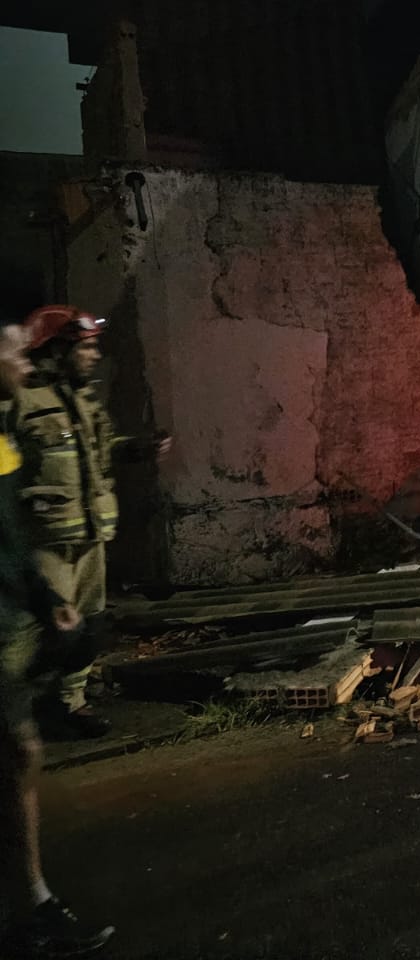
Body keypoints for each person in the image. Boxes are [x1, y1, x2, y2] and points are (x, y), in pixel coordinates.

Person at [0, 320, 114, 955]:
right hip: (13, 607)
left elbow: (6, 526)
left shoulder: (3, 438)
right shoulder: (17, 417)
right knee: (18, 752)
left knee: (20, 753)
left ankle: (32, 906)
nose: (22, 360)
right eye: (12, 350)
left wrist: (44, 601)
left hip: (21, 603)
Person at [5, 307, 168, 740]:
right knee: (49, 630)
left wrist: (133, 449)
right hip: (44, 540)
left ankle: (68, 703)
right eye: (86, 347)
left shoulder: (82, 399)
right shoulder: (17, 402)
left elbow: (101, 445)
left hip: (90, 535)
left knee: (90, 628)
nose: (95, 356)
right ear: (55, 350)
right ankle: (24, 710)